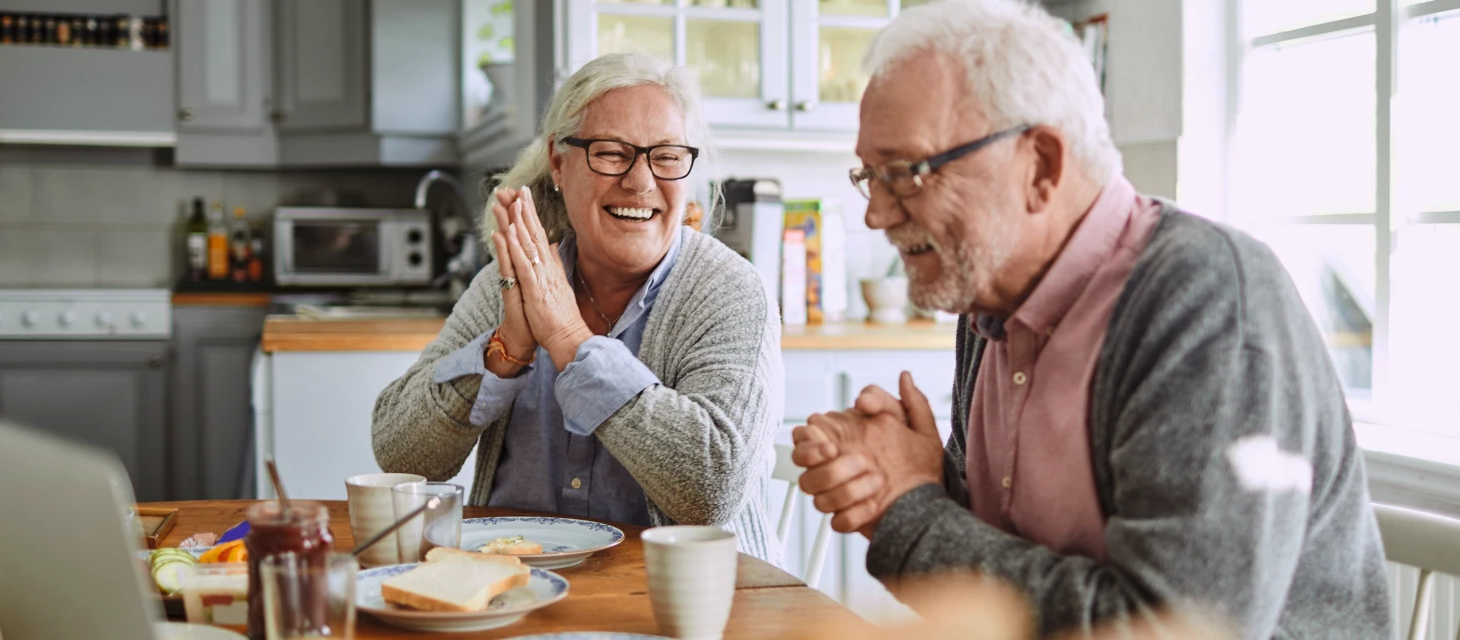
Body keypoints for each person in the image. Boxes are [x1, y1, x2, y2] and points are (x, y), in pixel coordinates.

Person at [789, 1, 1394, 637]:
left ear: (1041, 166)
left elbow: (1168, 628)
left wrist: (910, 508)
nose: (876, 214)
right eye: (869, 176)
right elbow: (995, 570)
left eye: (907, 173)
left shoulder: (1203, 300)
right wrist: (916, 483)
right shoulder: (987, 300)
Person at [373, 53, 781, 562]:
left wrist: (569, 339)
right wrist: (508, 350)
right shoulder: (512, 282)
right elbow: (398, 453)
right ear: (560, 163)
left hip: (680, 611)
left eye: (668, 156)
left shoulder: (729, 291)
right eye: (611, 153)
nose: (640, 181)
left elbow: (711, 489)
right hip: (512, 593)